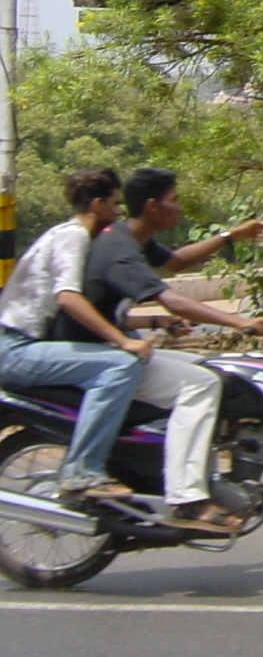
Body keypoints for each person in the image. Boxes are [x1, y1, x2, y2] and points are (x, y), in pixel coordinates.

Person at [54, 168, 263, 532]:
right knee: (200, 385)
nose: (180, 207)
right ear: (154, 206)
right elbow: (171, 298)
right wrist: (240, 323)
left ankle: (196, 475)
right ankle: (188, 499)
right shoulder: (119, 249)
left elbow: (176, 262)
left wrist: (229, 236)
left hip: (108, 349)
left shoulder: (132, 237)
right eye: (174, 200)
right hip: (96, 357)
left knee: (212, 369)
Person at [0, 168, 152, 501]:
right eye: (114, 204)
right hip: (14, 349)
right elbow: (68, 297)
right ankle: (83, 471)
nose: (118, 212)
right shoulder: (74, 236)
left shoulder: (74, 236)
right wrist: (123, 341)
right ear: (97, 204)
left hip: (20, 344)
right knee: (119, 365)